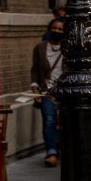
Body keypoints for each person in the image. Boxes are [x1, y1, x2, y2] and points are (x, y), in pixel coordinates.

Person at [32, 18, 65, 167]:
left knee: (64, 123)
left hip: (64, 93)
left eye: (60, 29)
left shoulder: (68, 49)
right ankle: (51, 152)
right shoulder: (40, 48)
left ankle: (61, 149)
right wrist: (35, 88)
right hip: (46, 92)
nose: (56, 31)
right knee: (49, 120)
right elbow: (35, 69)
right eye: (54, 28)